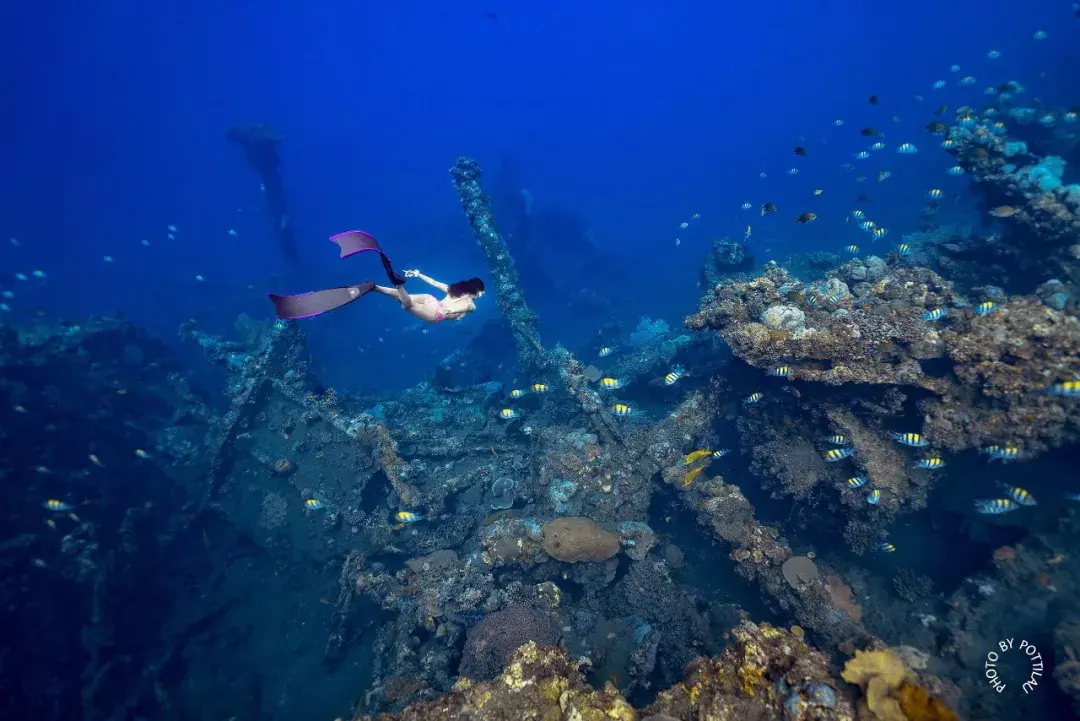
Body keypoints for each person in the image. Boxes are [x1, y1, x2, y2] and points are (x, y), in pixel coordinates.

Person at [268, 230, 484, 323]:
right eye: (481, 293)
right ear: (475, 291)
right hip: (437, 312)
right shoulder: (471, 305)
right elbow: (462, 309)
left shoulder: (453, 290)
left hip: (431, 299)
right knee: (406, 305)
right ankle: (398, 284)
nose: (481, 296)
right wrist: (454, 312)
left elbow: (436, 283)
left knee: (400, 299)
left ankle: (375, 287)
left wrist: (419, 273)